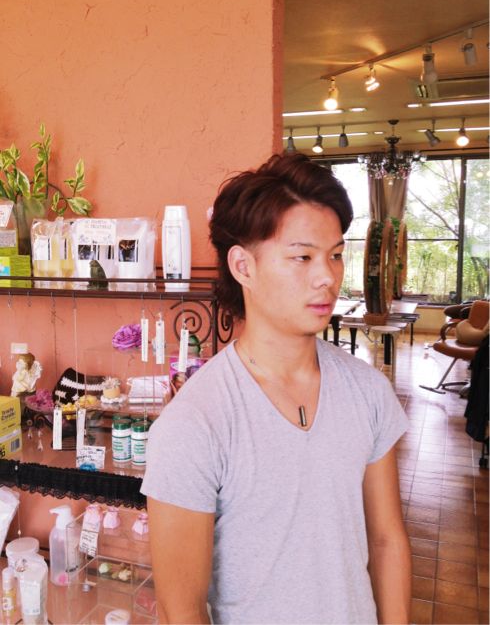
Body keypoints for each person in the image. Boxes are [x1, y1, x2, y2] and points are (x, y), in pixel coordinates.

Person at [142, 153, 411, 624]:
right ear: (243, 266)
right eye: (302, 257)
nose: (327, 276)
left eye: (335, 254)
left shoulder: (368, 391)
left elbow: (387, 541)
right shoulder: (194, 424)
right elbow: (180, 611)